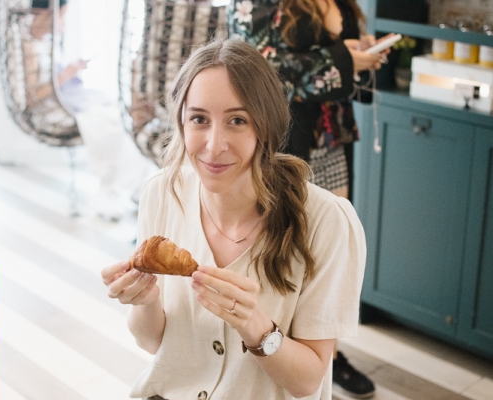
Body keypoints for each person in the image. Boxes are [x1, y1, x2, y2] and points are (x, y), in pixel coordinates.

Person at [101, 38, 366, 400]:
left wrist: (254, 325)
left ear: (265, 126)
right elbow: (151, 342)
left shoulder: (325, 221)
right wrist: (145, 299)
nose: (213, 145)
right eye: (199, 119)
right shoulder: (162, 193)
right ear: (181, 121)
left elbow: (307, 381)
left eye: (237, 120)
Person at [229, 0, 389, 397]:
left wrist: (358, 50)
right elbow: (260, 68)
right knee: (282, 253)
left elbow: (328, 50)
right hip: (284, 139)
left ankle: (325, 354)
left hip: (331, 138)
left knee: (327, 256)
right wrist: (343, 60)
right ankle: (271, 348)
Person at [26, 0, 157, 221]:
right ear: (46, 14)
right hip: (55, 106)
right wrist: (66, 75)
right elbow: (33, 96)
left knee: (122, 112)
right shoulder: (30, 46)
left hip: (70, 97)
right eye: (62, 17)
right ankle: (113, 188)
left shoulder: (48, 43)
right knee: (112, 121)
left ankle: (132, 184)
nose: (63, 24)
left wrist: (71, 71)